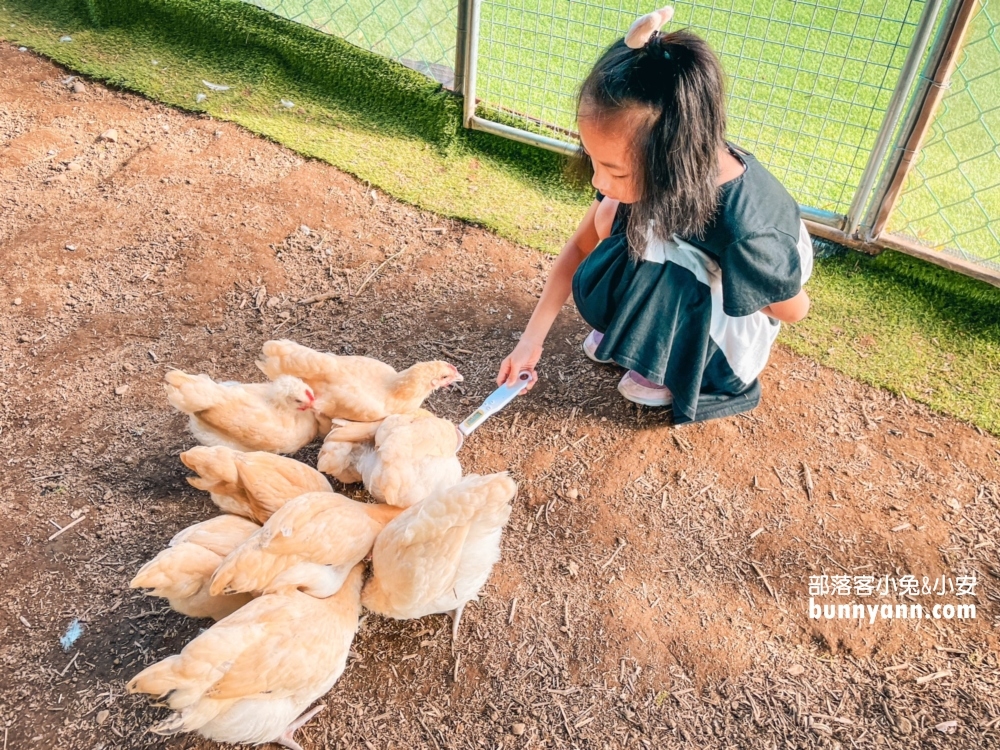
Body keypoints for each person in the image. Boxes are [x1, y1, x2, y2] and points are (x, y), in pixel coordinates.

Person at [496, 8, 813, 425]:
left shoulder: (743, 230)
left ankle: (679, 361)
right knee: (612, 218)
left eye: (615, 170)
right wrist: (529, 342)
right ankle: (648, 327)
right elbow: (579, 247)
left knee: (662, 254)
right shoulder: (654, 161)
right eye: (594, 160)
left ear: (671, 158)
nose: (599, 179)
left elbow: (794, 309)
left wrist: (727, 281)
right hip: (693, 247)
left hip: (741, 312)